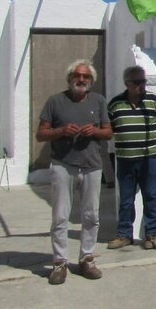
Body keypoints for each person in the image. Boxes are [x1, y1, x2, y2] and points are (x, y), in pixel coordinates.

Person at [36, 59, 113, 285]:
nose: (81, 79)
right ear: (69, 78)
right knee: (61, 216)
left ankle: (86, 259)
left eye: (86, 76)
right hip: (63, 165)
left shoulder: (99, 101)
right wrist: (61, 131)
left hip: (92, 166)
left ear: (92, 81)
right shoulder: (55, 101)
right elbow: (41, 134)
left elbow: (108, 133)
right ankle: (60, 263)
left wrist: (95, 131)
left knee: (91, 215)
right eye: (77, 75)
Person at [107, 65, 156, 250]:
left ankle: (152, 235)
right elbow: (109, 126)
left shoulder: (154, 101)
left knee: (151, 197)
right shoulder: (115, 104)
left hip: (148, 158)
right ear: (127, 83)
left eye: (143, 81)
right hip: (125, 159)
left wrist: (151, 137)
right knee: (126, 199)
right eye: (137, 82)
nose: (141, 85)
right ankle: (124, 235)